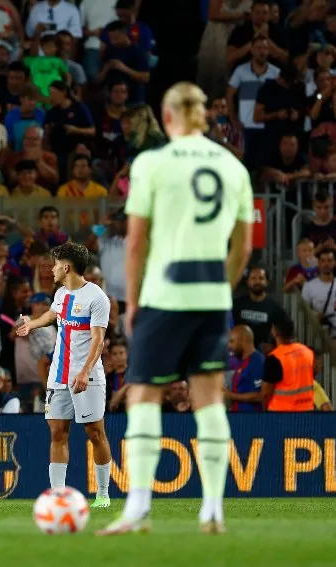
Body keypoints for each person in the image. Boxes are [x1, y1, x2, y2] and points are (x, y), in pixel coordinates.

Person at [98, 83, 254, 536]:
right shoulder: (232, 166)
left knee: (145, 394)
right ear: (205, 116)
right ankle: (212, 510)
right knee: (209, 399)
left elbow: (136, 239)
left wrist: (135, 300)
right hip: (211, 296)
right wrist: (221, 289)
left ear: (167, 117)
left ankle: (139, 509)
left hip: (166, 294)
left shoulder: (152, 163)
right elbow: (242, 249)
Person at [16, 242, 112, 508]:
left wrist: (84, 371)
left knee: (95, 432)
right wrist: (32, 324)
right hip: (58, 375)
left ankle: (103, 494)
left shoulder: (96, 297)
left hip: (87, 376)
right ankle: (58, 496)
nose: (52, 269)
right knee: (57, 432)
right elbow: (52, 314)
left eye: (55, 265)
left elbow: (98, 340)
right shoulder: (60, 294)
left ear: (66, 267)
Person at [261, 317, 314, 412]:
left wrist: (265, 412)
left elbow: (266, 393)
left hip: (281, 414)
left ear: (275, 332)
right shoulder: (307, 351)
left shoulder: (274, 358)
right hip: (307, 411)